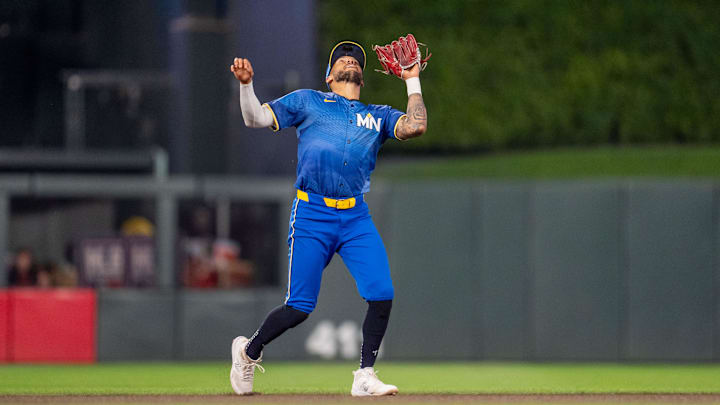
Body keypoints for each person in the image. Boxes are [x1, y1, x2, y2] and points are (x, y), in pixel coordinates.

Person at [229, 40, 427, 396]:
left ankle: (365, 375)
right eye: (341, 58)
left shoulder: (377, 114)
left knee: (382, 292)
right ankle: (248, 351)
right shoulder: (309, 101)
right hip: (312, 212)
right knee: (299, 308)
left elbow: (415, 126)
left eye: (355, 59)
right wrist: (246, 85)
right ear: (329, 75)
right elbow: (254, 118)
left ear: (362, 78)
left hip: (355, 216)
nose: (349, 59)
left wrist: (412, 80)